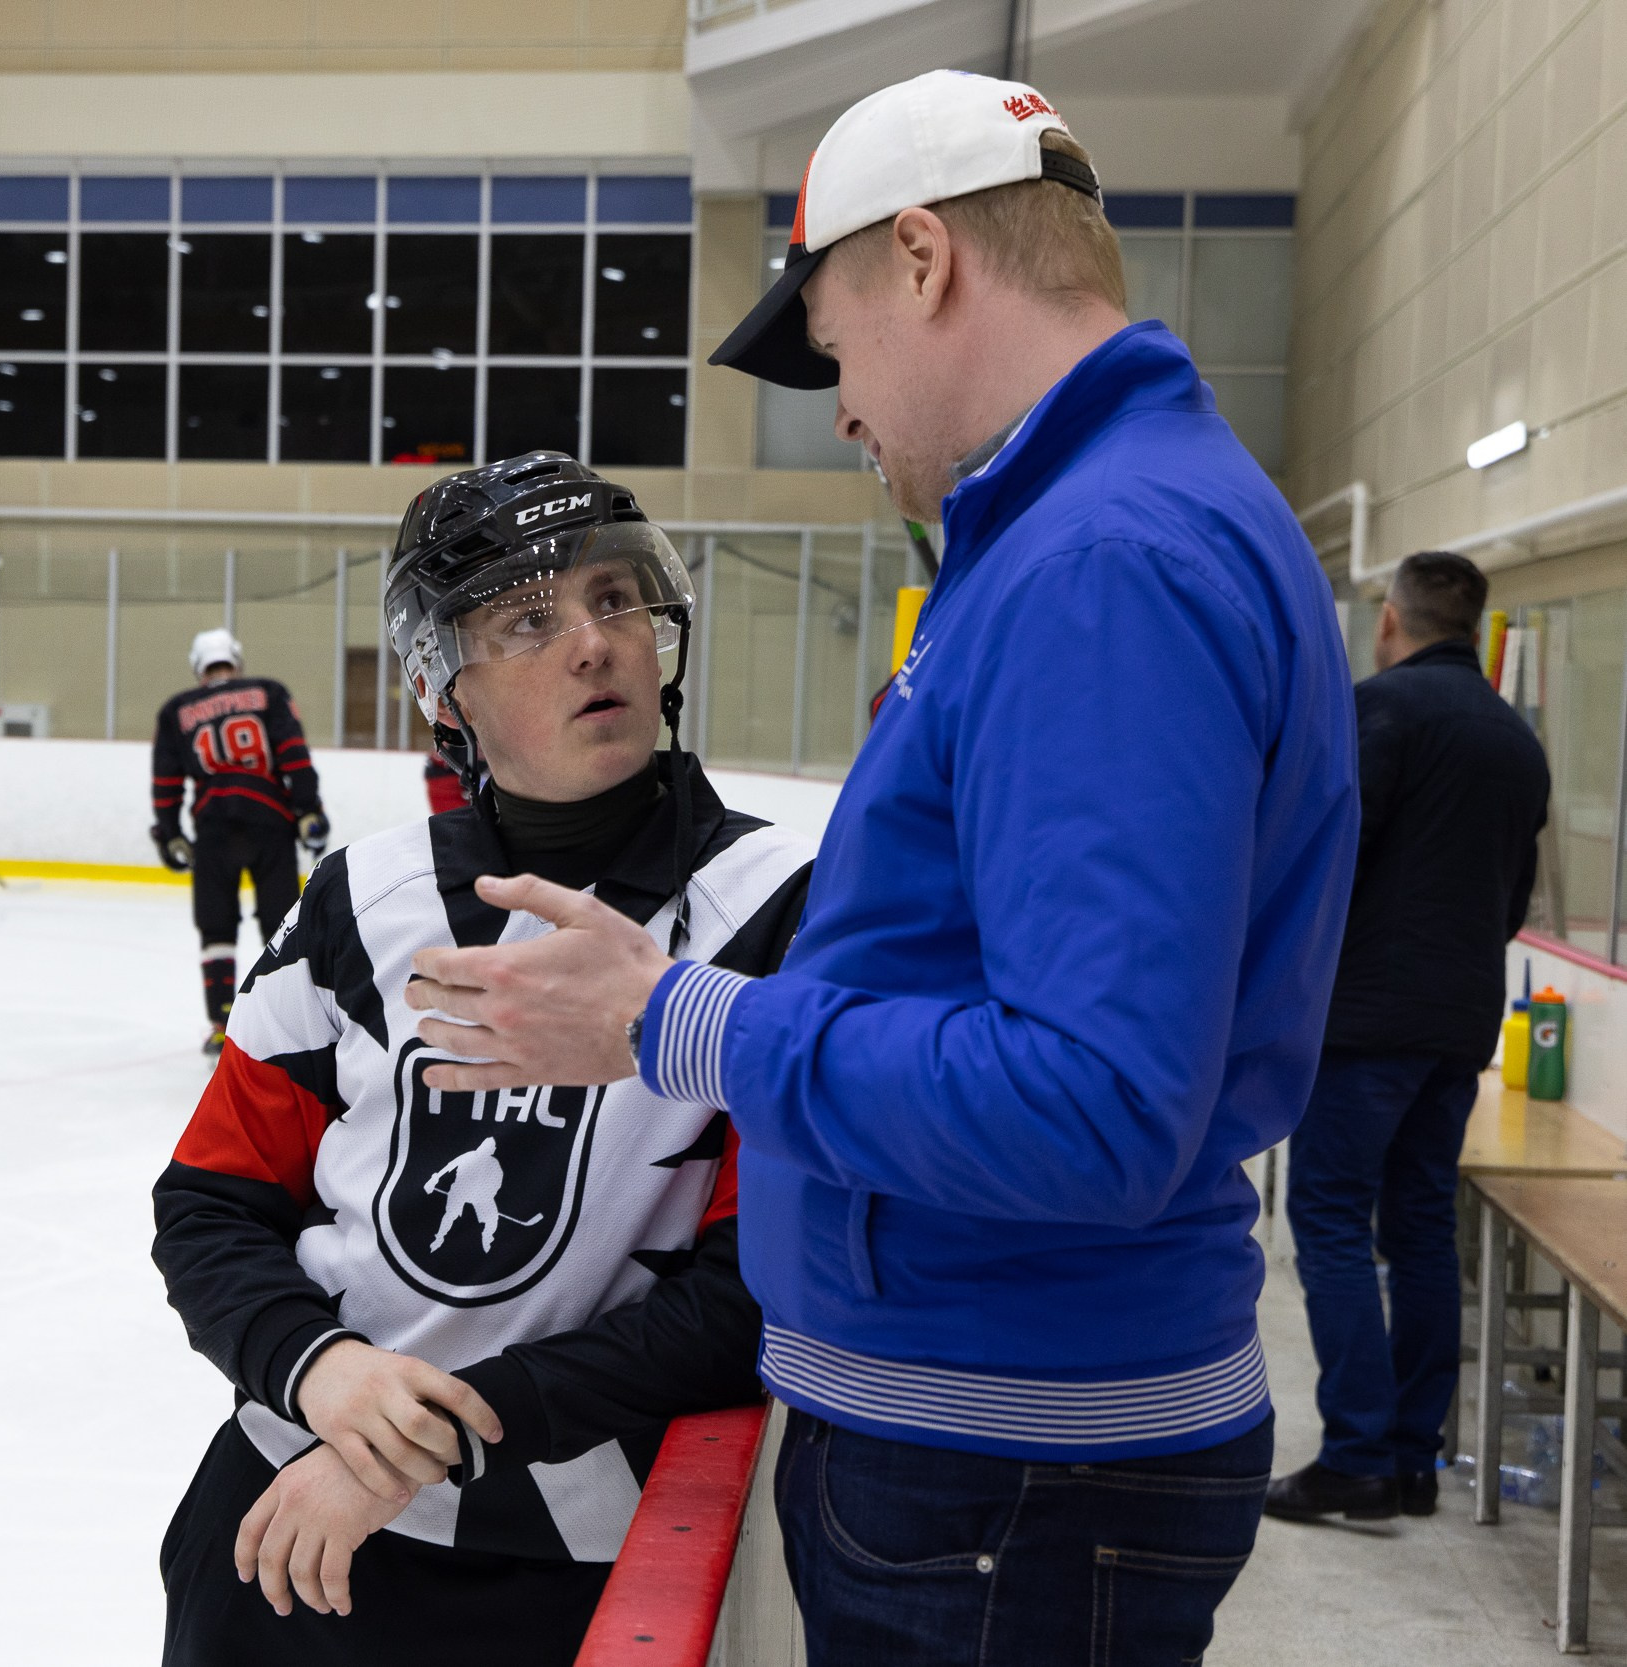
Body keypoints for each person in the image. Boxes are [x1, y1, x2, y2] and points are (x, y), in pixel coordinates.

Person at [396, 72, 1361, 1665]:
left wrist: (676, 1019)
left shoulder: (1101, 565)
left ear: (925, 259)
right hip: (1007, 1449)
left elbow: (1094, 1101)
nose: (838, 405)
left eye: (835, 347)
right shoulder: (1099, 530)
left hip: (1006, 1472)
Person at [152, 453, 814, 1667]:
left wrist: (428, 1437)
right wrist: (323, 1371)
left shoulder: (774, 909)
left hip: (566, 1571)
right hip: (283, 1526)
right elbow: (208, 1202)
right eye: (528, 617)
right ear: (439, 692)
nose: (594, 643)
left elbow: (748, 1297)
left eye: (616, 597)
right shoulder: (366, 894)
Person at [1266, 553, 1549, 1523]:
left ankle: (1355, 1454)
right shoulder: (1517, 739)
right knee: (1421, 1227)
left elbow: (1328, 851)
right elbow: (1512, 898)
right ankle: (1414, 1457)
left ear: (1390, 620)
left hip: (1369, 1022)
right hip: (1460, 1020)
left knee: (1333, 1219)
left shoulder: (1379, 709)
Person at [151, 628, 329, 1053]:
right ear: (236, 659)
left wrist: (169, 832)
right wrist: (309, 810)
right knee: (282, 925)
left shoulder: (176, 710)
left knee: (216, 930)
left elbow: (167, 779)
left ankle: (221, 1022)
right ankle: (287, 1023)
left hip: (213, 827)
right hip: (270, 820)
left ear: (199, 666)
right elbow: (294, 754)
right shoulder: (267, 692)